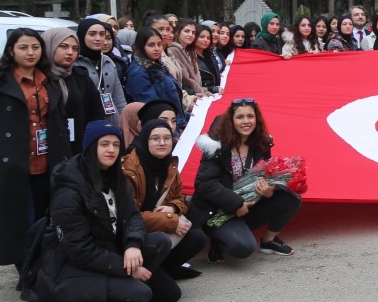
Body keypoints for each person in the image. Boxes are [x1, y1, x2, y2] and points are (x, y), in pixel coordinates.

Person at [30, 121, 173, 302]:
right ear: (91, 147)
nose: (111, 150)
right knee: (140, 295)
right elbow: (79, 250)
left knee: (160, 243)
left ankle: (122, 293)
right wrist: (126, 269)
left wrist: (133, 244)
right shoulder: (69, 191)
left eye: (116, 144)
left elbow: (133, 215)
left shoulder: (115, 176)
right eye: (104, 144)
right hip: (70, 269)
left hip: (106, 251)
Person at [0, 29, 72, 291]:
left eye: (35, 47)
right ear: (11, 50)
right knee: (20, 222)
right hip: (12, 163)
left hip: (48, 161)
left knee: (46, 219)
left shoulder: (50, 79)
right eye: (23, 48)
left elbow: (60, 120)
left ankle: (41, 271)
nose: (30, 53)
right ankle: (29, 277)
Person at [189, 99, 301, 261]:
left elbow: (266, 173)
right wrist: (236, 203)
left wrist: (270, 189)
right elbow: (205, 185)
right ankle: (218, 239)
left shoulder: (262, 143)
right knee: (243, 248)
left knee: (291, 197)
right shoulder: (217, 147)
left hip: (248, 205)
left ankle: (268, 241)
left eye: (250, 116)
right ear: (231, 121)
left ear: (257, 119)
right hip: (219, 211)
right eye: (240, 117)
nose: (246, 121)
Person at [122, 118, 204, 284]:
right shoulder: (129, 170)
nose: (162, 143)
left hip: (156, 226)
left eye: (166, 138)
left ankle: (164, 270)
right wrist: (169, 221)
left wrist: (173, 208)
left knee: (197, 238)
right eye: (155, 139)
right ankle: (145, 277)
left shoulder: (169, 165)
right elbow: (128, 215)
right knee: (170, 293)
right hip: (132, 234)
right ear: (145, 140)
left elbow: (179, 199)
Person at [44, 28, 105, 154]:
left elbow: (96, 112)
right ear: (49, 46)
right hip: (47, 147)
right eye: (63, 47)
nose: (70, 52)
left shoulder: (81, 76)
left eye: (75, 48)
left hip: (78, 146)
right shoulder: (39, 77)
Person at [125, 28, 187, 131]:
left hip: (174, 123)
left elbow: (173, 94)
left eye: (159, 44)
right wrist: (172, 130)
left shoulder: (158, 65)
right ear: (141, 47)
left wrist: (184, 117)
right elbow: (152, 108)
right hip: (161, 128)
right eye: (151, 45)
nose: (157, 49)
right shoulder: (138, 72)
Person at [75, 18, 127, 128]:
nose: (98, 38)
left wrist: (123, 125)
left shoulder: (108, 62)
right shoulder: (75, 64)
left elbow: (119, 99)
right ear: (82, 35)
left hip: (112, 123)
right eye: (92, 34)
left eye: (102, 34)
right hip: (86, 124)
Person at [193, 26, 221, 93]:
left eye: (208, 38)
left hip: (216, 92)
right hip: (203, 94)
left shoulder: (210, 54)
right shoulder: (189, 57)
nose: (206, 40)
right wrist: (211, 89)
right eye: (202, 37)